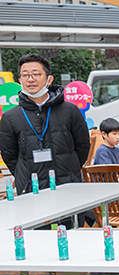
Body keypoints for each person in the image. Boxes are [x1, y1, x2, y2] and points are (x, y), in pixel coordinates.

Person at [0, 53, 89, 195]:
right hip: (31, 189)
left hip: (67, 185)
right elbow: (9, 155)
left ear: (49, 79)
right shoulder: (10, 117)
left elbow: (83, 146)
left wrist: (69, 169)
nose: (30, 79)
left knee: (69, 218)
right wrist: (24, 175)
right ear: (20, 80)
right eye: (25, 75)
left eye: (36, 74)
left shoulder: (69, 110)